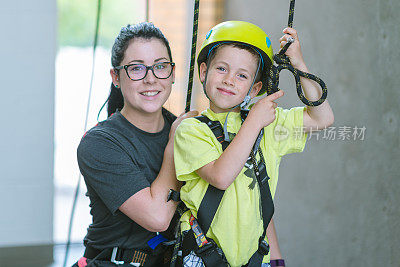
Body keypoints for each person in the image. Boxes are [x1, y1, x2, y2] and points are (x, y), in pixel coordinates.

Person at [173, 21, 334, 267]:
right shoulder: (191, 130)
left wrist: (299, 64)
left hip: (256, 258)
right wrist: (254, 122)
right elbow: (221, 176)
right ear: (203, 71)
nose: (229, 80)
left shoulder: (267, 124)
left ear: (255, 87)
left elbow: (322, 118)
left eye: (242, 75)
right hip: (202, 256)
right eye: (222, 69)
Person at [73, 22, 197, 267]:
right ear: (116, 77)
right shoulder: (99, 144)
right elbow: (157, 217)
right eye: (137, 69)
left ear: (172, 73)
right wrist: (175, 143)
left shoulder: (190, 131)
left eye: (160, 67)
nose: (151, 79)